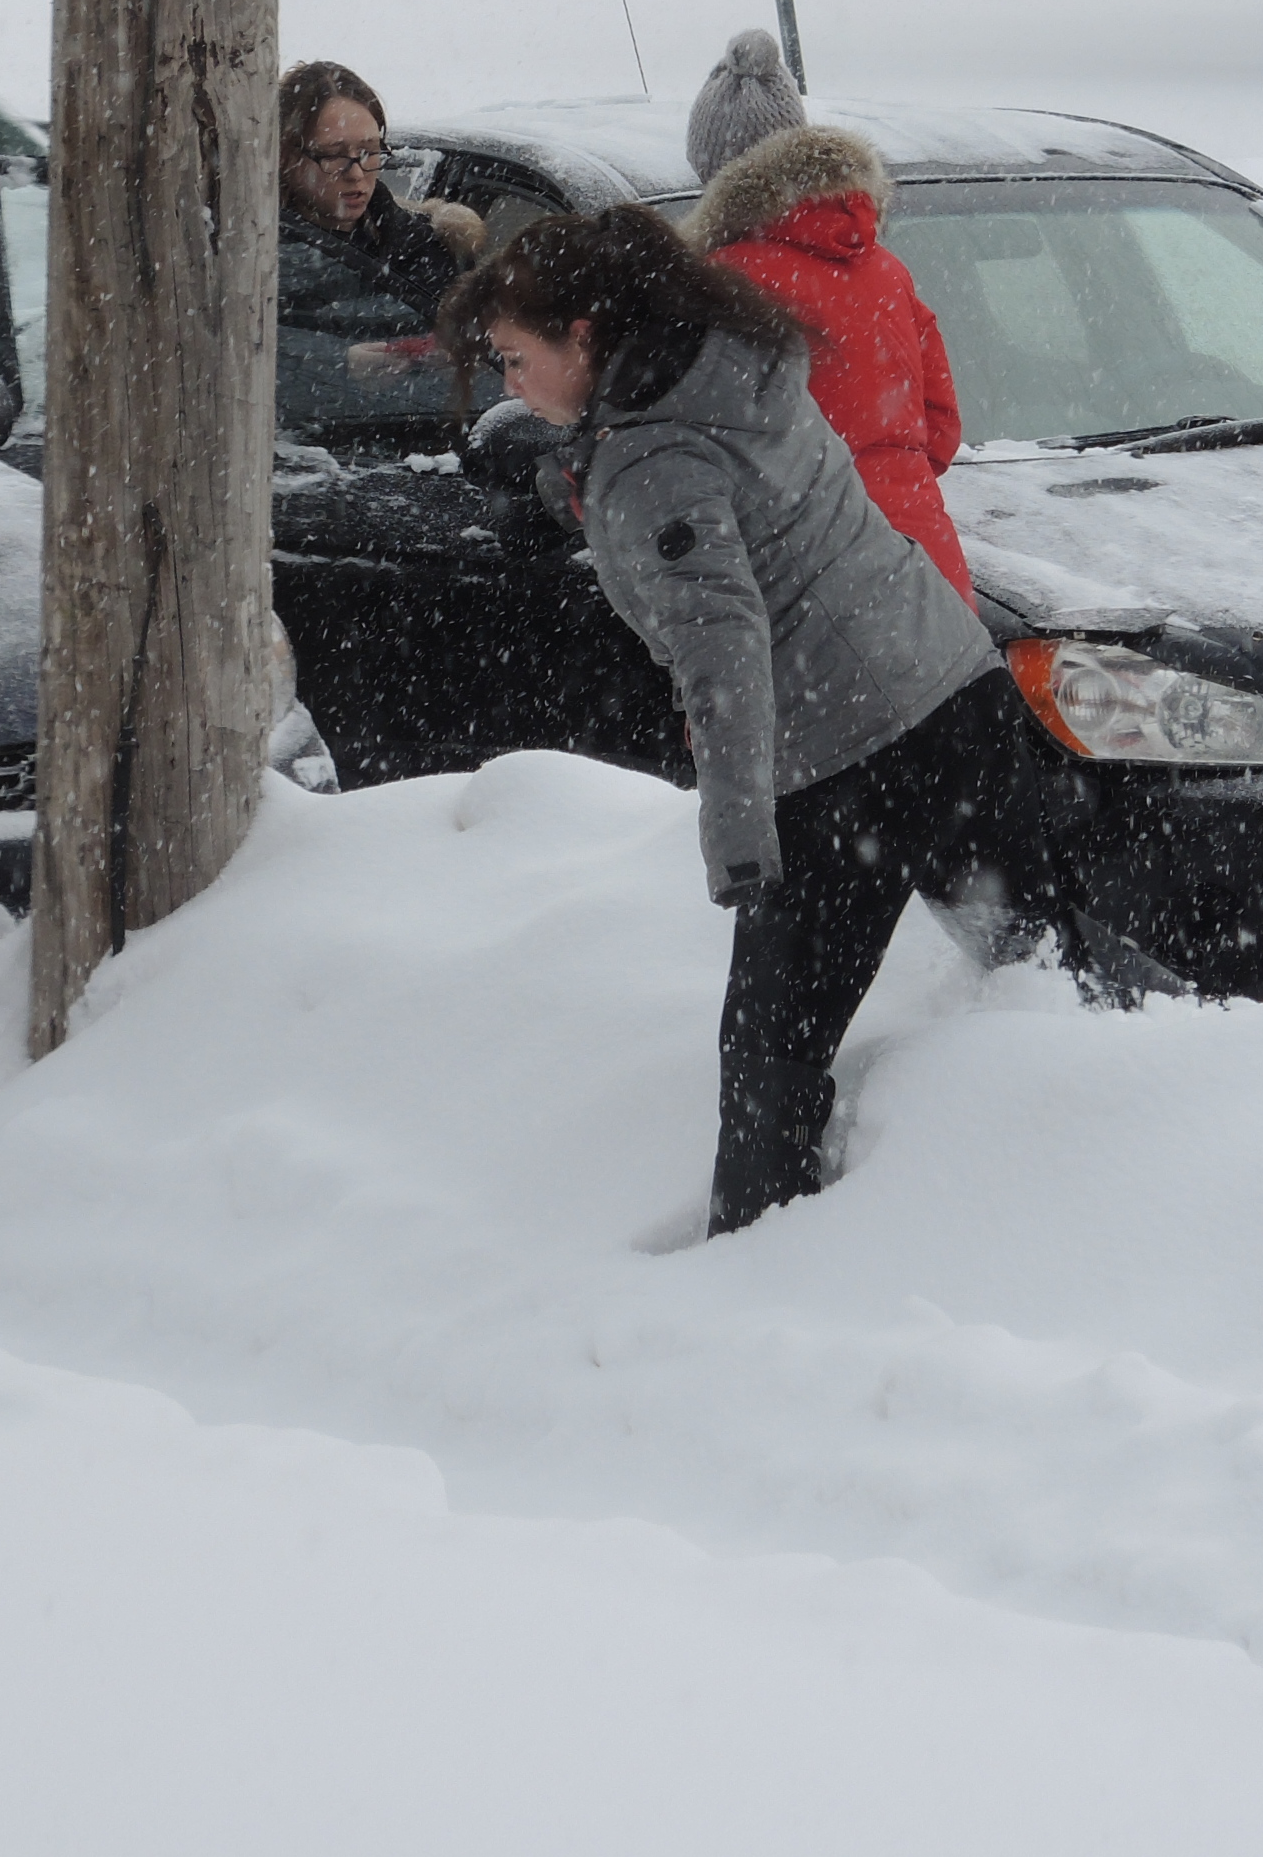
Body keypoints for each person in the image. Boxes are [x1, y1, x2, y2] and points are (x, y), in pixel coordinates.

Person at [445, 205, 1062, 1236]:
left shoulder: (651, 467)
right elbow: (752, 505)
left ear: (585, 337)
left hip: (842, 763)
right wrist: (588, 478)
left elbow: (721, 648)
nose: (508, 384)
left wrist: (736, 831)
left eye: (514, 359)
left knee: (773, 1051)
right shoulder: (736, 360)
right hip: (955, 692)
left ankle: (761, 1261)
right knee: (1037, 966)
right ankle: (1098, 1160)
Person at [682, 33, 975, 603]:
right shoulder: (886, 269)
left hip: (803, 579)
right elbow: (939, 430)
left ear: (716, 176)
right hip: (926, 572)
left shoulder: (715, 284)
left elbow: (680, 453)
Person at [277, 61, 483, 429]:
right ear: (288, 157)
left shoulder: (432, 244)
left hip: (434, 451)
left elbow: (498, 356)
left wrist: (460, 353)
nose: (357, 172)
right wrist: (337, 363)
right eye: (334, 155)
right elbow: (237, 364)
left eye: (370, 151)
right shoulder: (252, 260)